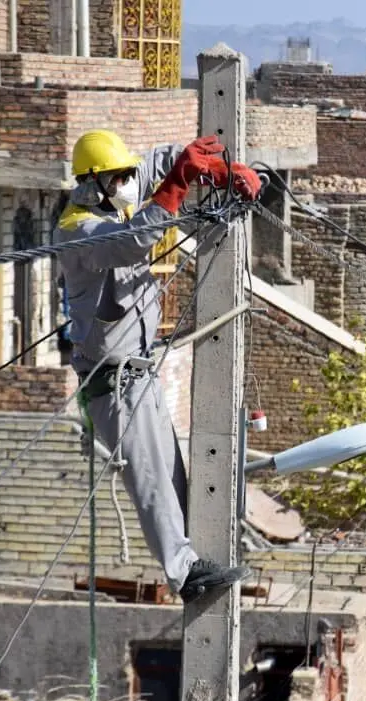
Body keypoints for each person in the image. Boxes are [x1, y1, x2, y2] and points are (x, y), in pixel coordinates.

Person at [55, 130, 262, 604]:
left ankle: (201, 552)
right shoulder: (78, 230)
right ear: (93, 183)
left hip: (138, 372)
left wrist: (222, 172)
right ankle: (186, 577)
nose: (130, 181)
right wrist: (180, 181)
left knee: (173, 477)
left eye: (129, 175)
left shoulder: (116, 196)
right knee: (151, 482)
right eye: (119, 177)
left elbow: (166, 162)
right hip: (111, 383)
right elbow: (133, 242)